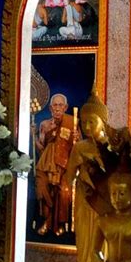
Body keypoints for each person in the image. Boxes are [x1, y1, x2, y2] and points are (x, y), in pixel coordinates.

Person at [66, 89, 112, 262]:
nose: (86, 127)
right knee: (85, 239)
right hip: (84, 200)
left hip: (105, 201)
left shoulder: (112, 147)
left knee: (104, 243)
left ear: (103, 122)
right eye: (84, 123)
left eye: (91, 122)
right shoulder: (79, 147)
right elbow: (69, 177)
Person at [35, 93, 78, 236]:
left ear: (65, 108)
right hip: (45, 165)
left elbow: (78, 148)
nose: (58, 108)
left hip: (65, 166)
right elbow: (40, 148)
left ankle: (60, 224)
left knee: (63, 191)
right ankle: (47, 222)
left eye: (61, 105)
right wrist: (32, 136)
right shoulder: (44, 125)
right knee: (43, 189)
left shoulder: (72, 123)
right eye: (55, 105)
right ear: (50, 108)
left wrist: (76, 140)